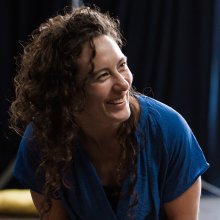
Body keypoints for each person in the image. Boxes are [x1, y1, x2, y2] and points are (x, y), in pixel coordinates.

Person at [10, 6, 209, 220]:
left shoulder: (170, 131)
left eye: (122, 65)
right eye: (103, 75)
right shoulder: (42, 141)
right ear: (67, 92)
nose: (124, 84)